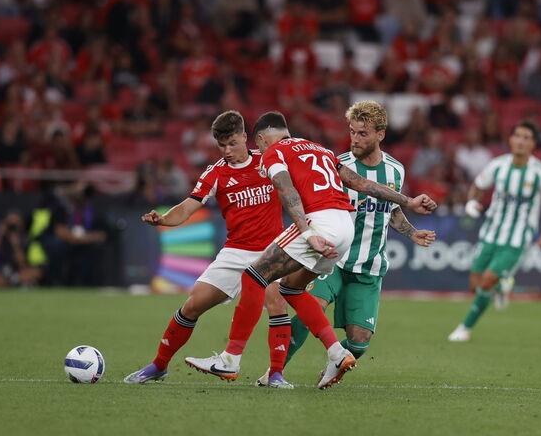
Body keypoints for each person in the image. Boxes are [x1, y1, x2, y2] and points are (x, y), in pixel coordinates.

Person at [184, 111, 437, 389]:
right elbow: (361, 184)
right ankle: (337, 353)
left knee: (253, 275)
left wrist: (308, 232)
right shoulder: (320, 149)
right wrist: (409, 201)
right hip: (345, 227)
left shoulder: (274, 152)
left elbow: (285, 188)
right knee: (291, 289)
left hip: (320, 223)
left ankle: (230, 359)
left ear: (259, 138)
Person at [264, 100, 436, 387]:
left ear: (380, 134)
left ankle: (334, 364)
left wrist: (411, 232)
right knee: (311, 311)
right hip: (334, 260)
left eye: (363, 134)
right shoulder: (336, 166)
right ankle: (274, 373)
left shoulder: (395, 171)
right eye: (352, 132)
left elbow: (390, 210)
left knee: (360, 342)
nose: (355, 139)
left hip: (369, 266)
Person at [124, 110, 290, 383]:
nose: (227, 150)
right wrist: (164, 219)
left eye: (232, 144)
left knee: (277, 305)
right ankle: (159, 365)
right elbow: (188, 207)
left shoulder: (268, 162)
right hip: (236, 252)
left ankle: (276, 375)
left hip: (271, 250)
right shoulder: (215, 173)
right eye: (221, 145)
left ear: (245, 138)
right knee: (191, 306)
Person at [448, 122, 541, 342]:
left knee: (487, 281)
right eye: (517, 136)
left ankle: (465, 328)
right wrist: (472, 203)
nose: (521, 141)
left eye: (526, 137)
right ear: (510, 139)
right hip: (491, 231)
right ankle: (503, 286)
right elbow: (478, 186)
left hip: (518, 237)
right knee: (475, 284)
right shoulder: (498, 166)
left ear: (533, 143)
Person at [0, 210, 42, 287]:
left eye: (16, 222)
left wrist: (15, 244)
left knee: (36, 272)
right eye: (10, 223)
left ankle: (11, 282)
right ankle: (9, 283)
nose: (12, 225)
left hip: (14, 272)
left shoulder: (23, 238)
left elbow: (22, 263)